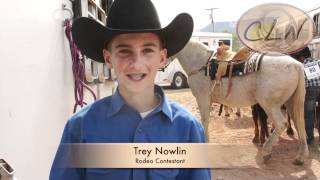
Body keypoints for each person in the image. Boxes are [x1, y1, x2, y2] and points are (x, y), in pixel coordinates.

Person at [49, 0, 211, 179]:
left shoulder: (188, 129)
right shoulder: (80, 128)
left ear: (162, 57)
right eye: (124, 51)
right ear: (108, 58)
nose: (136, 63)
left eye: (148, 50)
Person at [291, 47, 320, 145]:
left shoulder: (302, 66)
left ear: (302, 57)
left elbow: (302, 83)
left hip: (310, 90)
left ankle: (310, 139)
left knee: (309, 116)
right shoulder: (318, 62)